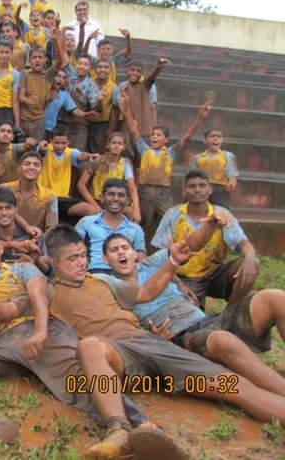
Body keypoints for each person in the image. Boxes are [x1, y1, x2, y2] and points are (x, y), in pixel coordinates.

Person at [0, 226, 150, 453]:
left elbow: (37, 297)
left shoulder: (23, 269)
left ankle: (139, 425)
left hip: (41, 331)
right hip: (3, 343)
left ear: (1, 247)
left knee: (77, 378)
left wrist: (40, 331)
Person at [103, 233, 285, 400]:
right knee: (223, 340)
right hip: (182, 337)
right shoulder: (110, 289)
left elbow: (186, 247)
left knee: (274, 298)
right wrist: (153, 339)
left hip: (209, 320)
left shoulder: (153, 263)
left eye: (125, 248)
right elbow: (123, 330)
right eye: (114, 250)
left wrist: (211, 224)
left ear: (135, 254)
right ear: (105, 260)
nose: (121, 252)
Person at [152, 170, 260, 308]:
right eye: (192, 186)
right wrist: (178, 283)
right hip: (184, 277)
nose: (197, 190)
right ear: (184, 190)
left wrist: (250, 258)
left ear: (210, 190)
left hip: (215, 274)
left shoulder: (222, 214)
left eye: (202, 185)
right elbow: (160, 258)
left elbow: (243, 243)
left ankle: (229, 315)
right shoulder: (173, 215)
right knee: (189, 317)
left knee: (251, 264)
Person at [121, 97, 211, 241]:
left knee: (168, 221)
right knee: (143, 221)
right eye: (153, 135)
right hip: (145, 191)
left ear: (166, 139)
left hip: (163, 192)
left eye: (159, 135)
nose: (154, 137)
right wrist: (126, 111)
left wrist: (200, 117)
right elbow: (133, 130)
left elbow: (187, 137)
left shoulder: (170, 152)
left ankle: (167, 250)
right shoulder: (144, 149)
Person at [75, 178, 146, 273]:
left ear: (128, 201)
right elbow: (73, 250)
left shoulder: (135, 229)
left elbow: (141, 258)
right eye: (111, 194)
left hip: (125, 276)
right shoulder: (87, 223)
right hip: (94, 274)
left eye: (121, 195)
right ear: (102, 198)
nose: (116, 199)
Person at [75, 132, 140, 222]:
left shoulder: (125, 163)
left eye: (119, 144)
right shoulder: (97, 160)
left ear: (124, 147)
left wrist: (137, 210)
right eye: (114, 143)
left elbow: (132, 187)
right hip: (97, 200)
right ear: (108, 145)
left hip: (115, 201)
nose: (116, 146)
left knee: (130, 212)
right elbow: (81, 185)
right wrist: (96, 206)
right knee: (90, 211)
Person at [0, 151, 57, 233]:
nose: (31, 167)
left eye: (36, 165)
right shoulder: (4, 189)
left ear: (41, 170)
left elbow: (52, 228)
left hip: (35, 240)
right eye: (27, 164)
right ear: (19, 167)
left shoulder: (49, 196)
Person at [189, 128, 239, 208]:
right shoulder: (198, 158)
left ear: (222, 140)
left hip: (220, 190)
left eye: (219, 136)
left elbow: (232, 174)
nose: (216, 138)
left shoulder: (227, 156)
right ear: (205, 140)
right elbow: (192, 175)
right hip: (202, 188)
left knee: (221, 212)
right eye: (212, 136)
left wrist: (232, 180)